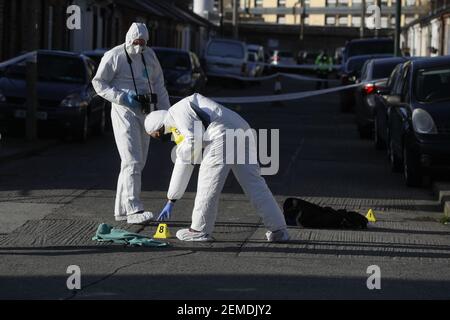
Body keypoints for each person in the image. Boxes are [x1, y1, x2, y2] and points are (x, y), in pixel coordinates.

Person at [144, 93, 290, 242]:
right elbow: (185, 162)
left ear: (158, 127)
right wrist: (171, 199)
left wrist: (181, 152)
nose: (158, 137)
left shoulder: (176, 113)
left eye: (155, 135)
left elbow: (192, 143)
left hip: (221, 133)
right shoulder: (180, 115)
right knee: (254, 184)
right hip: (242, 128)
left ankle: (199, 229)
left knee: (208, 182)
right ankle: (278, 229)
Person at [92, 22, 170, 224]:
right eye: (135, 42)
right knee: (131, 160)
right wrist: (122, 98)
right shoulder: (114, 55)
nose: (138, 47)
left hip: (146, 112)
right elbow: (98, 83)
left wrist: (167, 116)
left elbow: (159, 85)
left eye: (142, 43)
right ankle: (134, 209)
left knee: (138, 162)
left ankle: (121, 209)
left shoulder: (150, 56)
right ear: (128, 39)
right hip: (124, 111)